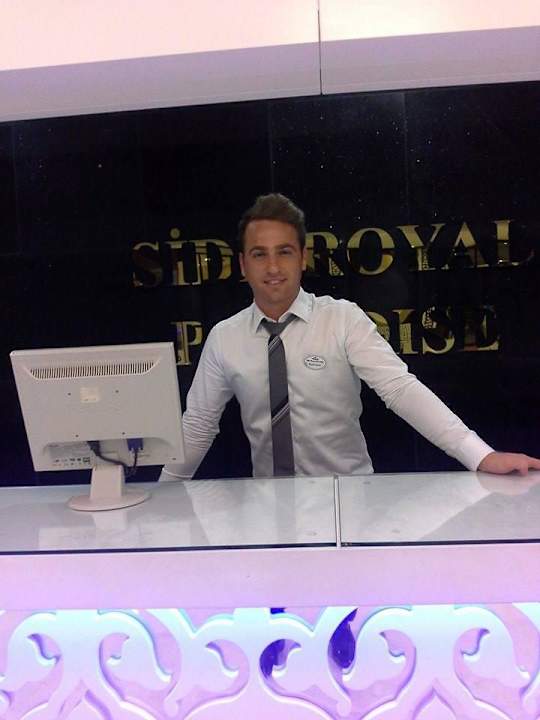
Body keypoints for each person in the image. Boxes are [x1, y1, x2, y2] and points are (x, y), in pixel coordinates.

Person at [162, 193, 540, 482]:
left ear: (302, 258)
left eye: (285, 252)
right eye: (260, 254)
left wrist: (480, 455)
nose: (273, 266)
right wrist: (165, 494)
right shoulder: (224, 338)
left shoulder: (342, 319)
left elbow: (400, 389)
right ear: (243, 264)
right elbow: (198, 425)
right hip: (268, 506)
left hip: (351, 498)